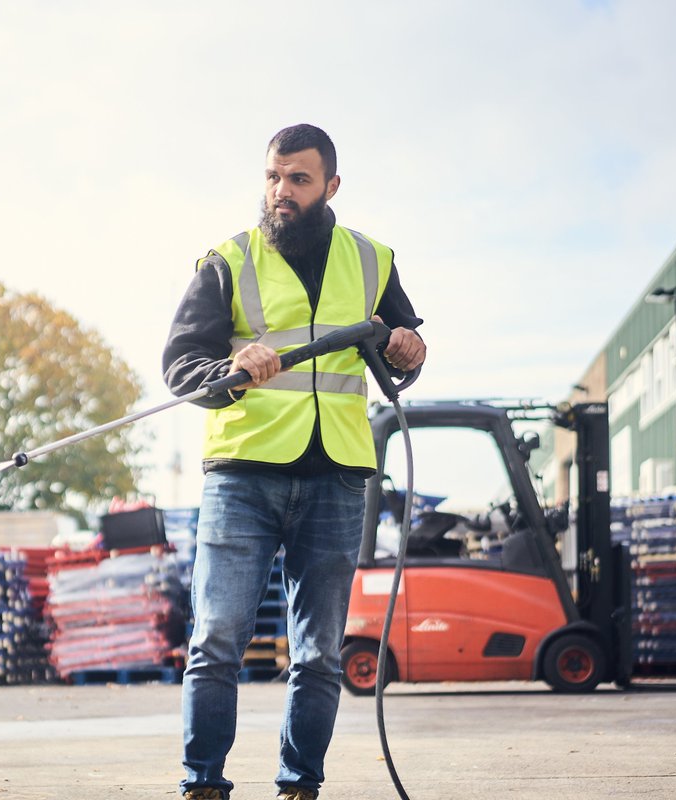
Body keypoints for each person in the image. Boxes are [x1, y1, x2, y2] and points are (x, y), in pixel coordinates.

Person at [162, 123, 426, 800]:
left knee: (318, 653)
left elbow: (404, 347)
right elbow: (182, 367)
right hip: (243, 475)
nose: (282, 191)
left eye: (299, 179)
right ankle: (202, 784)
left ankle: (299, 785)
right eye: (273, 177)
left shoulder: (372, 260)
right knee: (217, 640)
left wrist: (409, 350)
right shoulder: (229, 260)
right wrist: (229, 368)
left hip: (336, 475)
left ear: (331, 186)